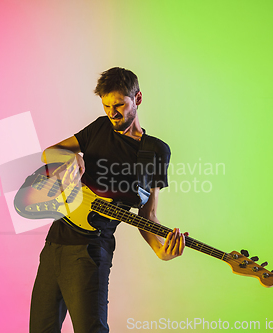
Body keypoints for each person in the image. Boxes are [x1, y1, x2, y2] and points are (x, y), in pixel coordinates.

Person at [29, 67, 187, 333]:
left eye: (119, 105)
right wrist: (72, 156)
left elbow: (146, 216)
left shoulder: (155, 151)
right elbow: (49, 153)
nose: (112, 114)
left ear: (137, 99)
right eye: (106, 106)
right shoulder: (100, 127)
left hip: (90, 252)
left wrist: (161, 250)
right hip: (54, 243)